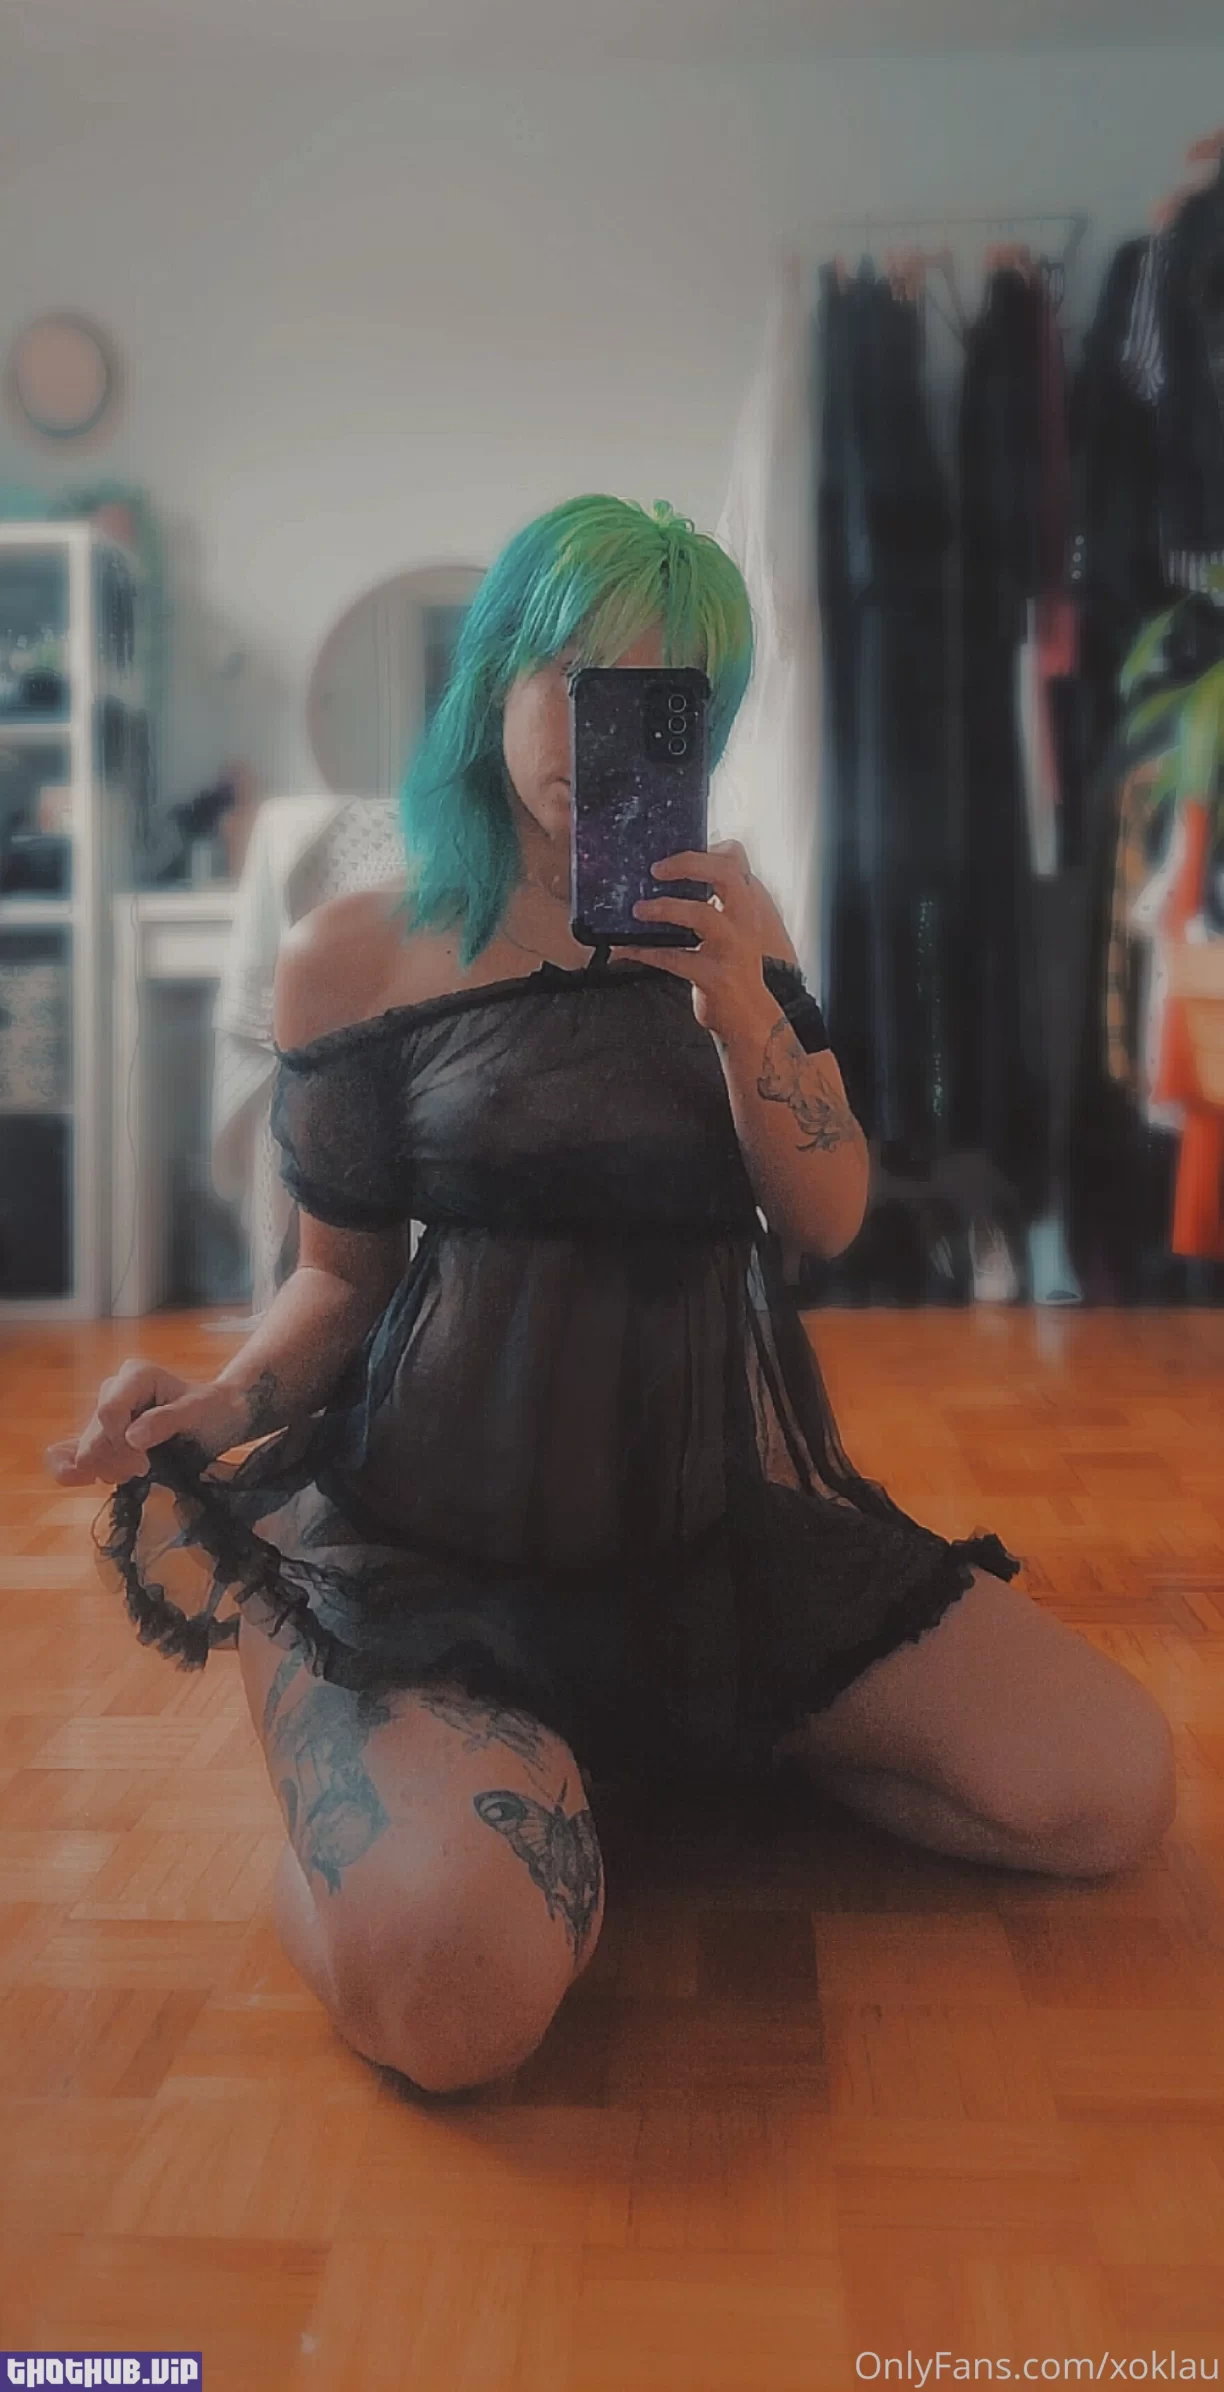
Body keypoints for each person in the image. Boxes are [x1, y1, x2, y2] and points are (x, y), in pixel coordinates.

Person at [49, 495, 1176, 2099]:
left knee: (1106, 1792)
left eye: (661, 699)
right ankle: (377, 1819)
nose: (601, 733)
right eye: (570, 677)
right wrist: (219, 1404)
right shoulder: (354, 954)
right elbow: (339, 1275)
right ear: (495, 676)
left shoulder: (732, 925)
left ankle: (618, 1757)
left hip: (705, 1542)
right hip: (430, 1561)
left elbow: (831, 1214)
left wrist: (746, 1016)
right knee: (459, 1999)